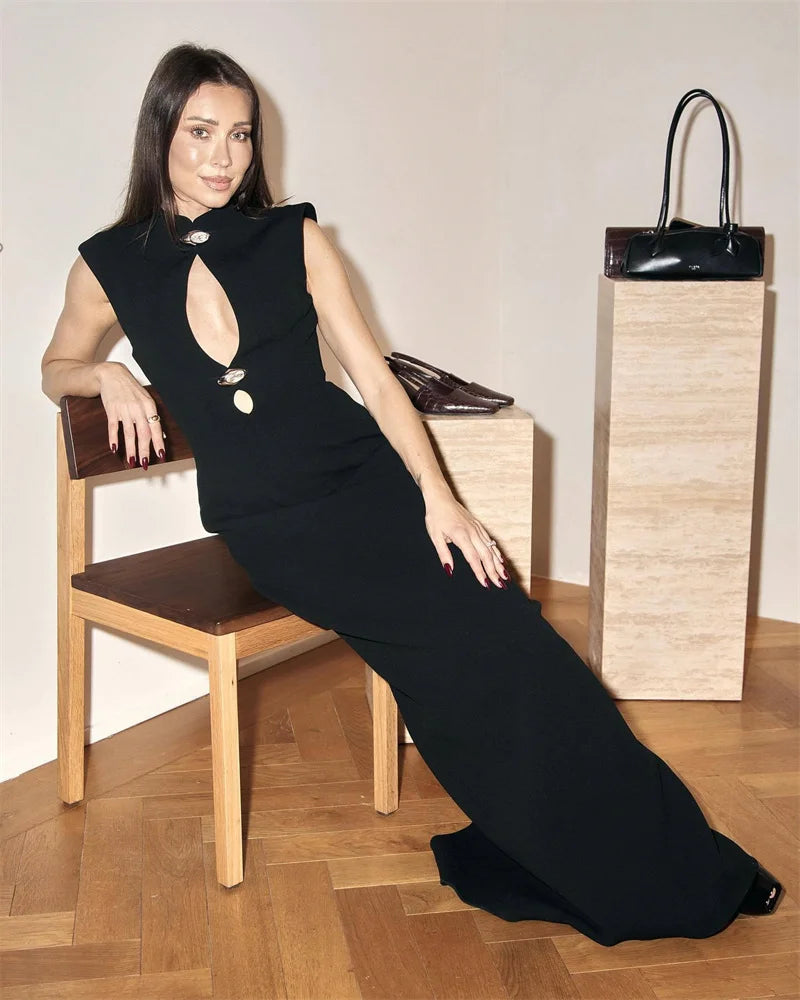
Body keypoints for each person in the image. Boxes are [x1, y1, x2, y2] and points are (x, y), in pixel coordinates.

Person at [41, 43, 782, 946]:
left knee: (516, 640)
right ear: (160, 132)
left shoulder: (293, 237)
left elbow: (377, 382)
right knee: (460, 661)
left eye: (240, 134)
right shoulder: (110, 264)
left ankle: (675, 860)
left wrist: (440, 496)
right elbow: (54, 366)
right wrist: (102, 375)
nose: (223, 156)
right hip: (271, 525)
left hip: (368, 484)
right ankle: (625, 860)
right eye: (201, 131)